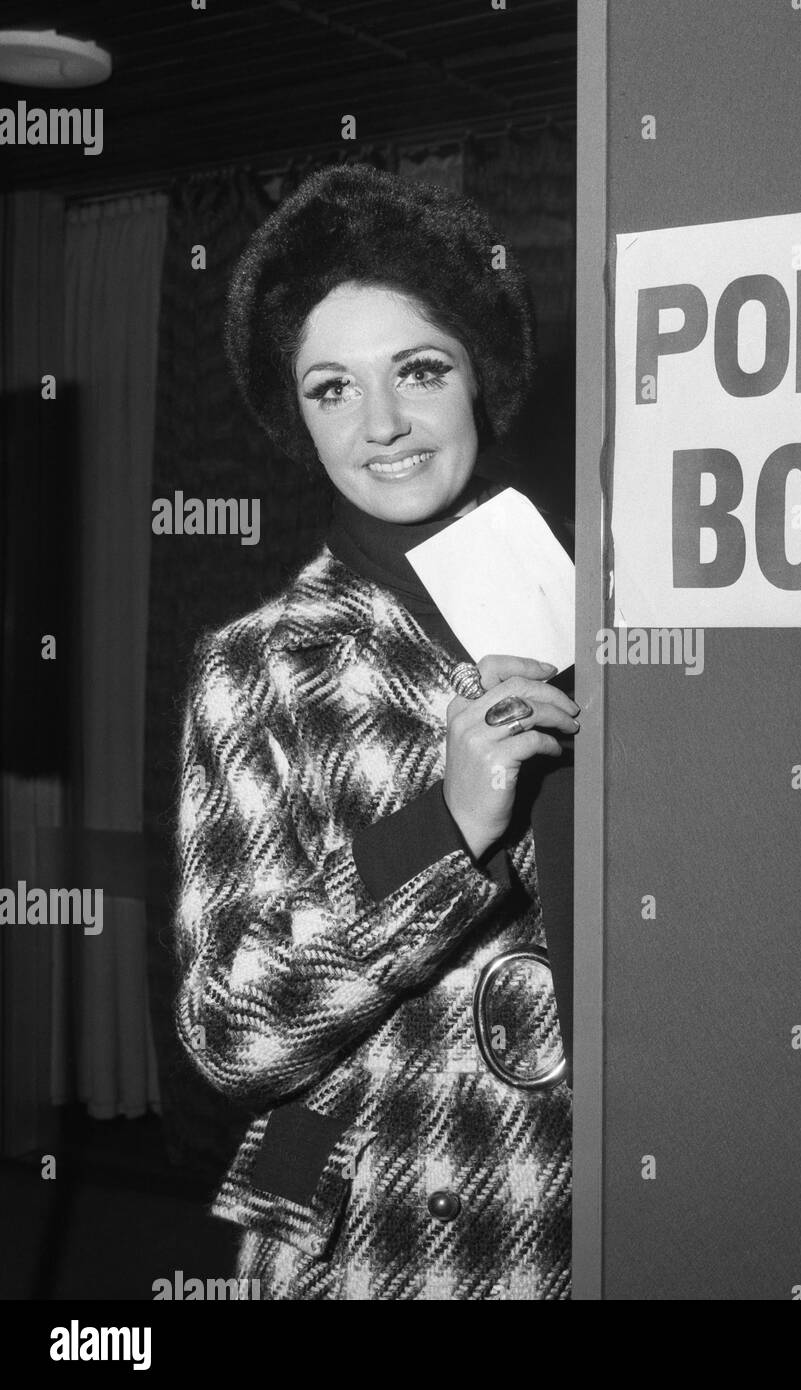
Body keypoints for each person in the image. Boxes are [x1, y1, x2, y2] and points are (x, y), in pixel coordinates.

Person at [171, 164, 577, 1300]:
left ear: (478, 381)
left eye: (419, 370)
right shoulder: (257, 666)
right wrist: (440, 831)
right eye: (332, 389)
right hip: (385, 1235)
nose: (384, 424)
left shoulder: (603, 610)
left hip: (608, 1201)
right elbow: (229, 1029)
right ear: (295, 418)